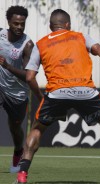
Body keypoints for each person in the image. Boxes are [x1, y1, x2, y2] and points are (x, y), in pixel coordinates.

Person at [15, 9, 100, 184]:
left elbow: (29, 77)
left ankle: (22, 175)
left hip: (57, 92)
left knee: (37, 128)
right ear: (68, 24)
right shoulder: (81, 36)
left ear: (51, 26)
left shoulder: (41, 43)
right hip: (85, 91)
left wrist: (40, 96)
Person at [0, 5, 34, 173]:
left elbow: (28, 76)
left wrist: (7, 66)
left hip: (17, 94)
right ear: (9, 22)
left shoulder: (27, 45)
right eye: (16, 23)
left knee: (15, 128)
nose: (19, 27)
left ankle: (18, 151)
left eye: (22, 23)